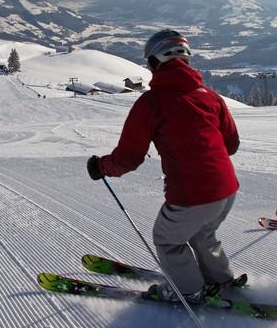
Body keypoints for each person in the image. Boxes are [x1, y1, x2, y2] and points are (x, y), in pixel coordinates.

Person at [86, 29, 242, 303]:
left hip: (192, 195)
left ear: (154, 63)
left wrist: (101, 167)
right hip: (227, 189)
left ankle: (188, 292)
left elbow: (128, 158)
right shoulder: (210, 96)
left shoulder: (152, 103)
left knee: (168, 240)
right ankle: (221, 279)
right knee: (203, 234)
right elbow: (231, 145)